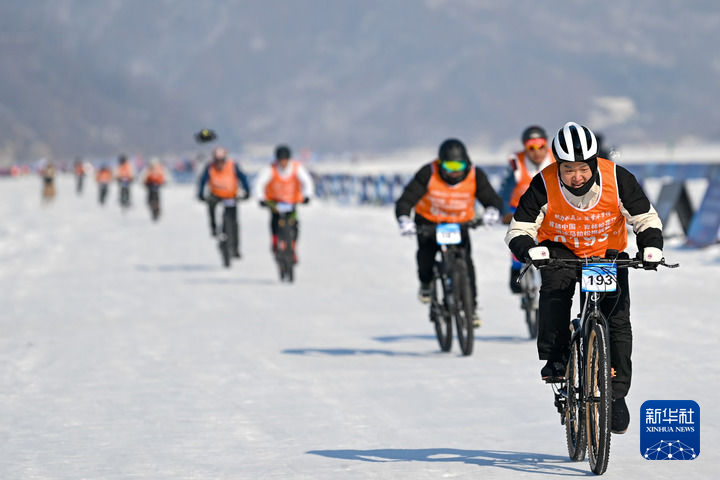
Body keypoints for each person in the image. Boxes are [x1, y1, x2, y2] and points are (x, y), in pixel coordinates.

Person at [504, 121, 664, 434]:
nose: (576, 177)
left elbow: (645, 218)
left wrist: (651, 248)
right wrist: (528, 250)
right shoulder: (543, 184)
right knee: (555, 291)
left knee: (617, 320)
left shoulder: (618, 179)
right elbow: (519, 229)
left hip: (605, 254)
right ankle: (556, 359)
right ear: (558, 167)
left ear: (593, 164)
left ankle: (616, 395)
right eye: (568, 170)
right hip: (560, 251)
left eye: (582, 169)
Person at [395, 138, 503, 327]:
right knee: (426, 256)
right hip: (429, 221)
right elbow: (406, 200)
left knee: (467, 264)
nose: (454, 171)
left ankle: (472, 308)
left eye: (459, 165)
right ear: (440, 163)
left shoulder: (475, 175)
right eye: (449, 165)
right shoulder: (428, 172)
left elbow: (492, 198)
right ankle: (426, 284)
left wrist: (492, 211)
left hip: (459, 223)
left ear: (466, 162)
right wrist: (404, 219)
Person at [499, 126, 555, 293]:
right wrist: (504, 213)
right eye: (531, 147)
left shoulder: (557, 159)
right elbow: (504, 191)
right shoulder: (516, 163)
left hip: (547, 207)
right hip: (519, 207)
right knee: (518, 236)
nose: (537, 151)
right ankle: (516, 269)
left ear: (546, 145)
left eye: (541, 146)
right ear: (525, 148)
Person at [253, 145, 314, 262]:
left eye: (285, 160)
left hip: (291, 202)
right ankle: (275, 242)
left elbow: (307, 182)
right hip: (274, 202)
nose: (283, 163)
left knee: (294, 225)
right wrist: (260, 198)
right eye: (281, 160)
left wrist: (307, 196)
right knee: (274, 222)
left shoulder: (297, 168)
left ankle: (293, 248)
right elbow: (259, 183)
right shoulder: (270, 169)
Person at [197, 146, 250, 257]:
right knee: (211, 206)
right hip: (216, 195)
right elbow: (202, 181)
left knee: (234, 222)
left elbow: (243, 178)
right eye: (217, 161)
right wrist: (201, 194)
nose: (219, 164)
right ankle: (214, 228)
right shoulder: (209, 167)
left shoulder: (233, 166)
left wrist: (247, 192)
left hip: (231, 196)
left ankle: (235, 248)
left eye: (221, 161)